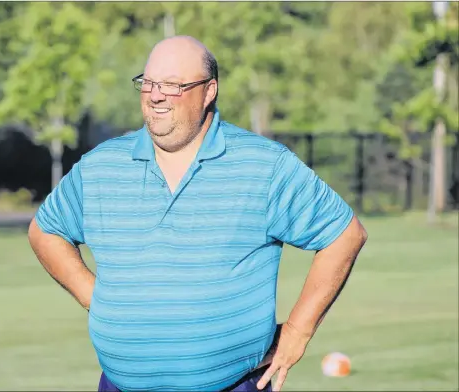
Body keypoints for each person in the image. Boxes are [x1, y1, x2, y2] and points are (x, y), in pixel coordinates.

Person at [28, 36, 368, 392]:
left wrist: (298, 331)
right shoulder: (100, 166)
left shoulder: (264, 165)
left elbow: (344, 234)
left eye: (173, 85)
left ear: (209, 92)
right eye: (149, 83)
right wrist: (97, 300)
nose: (156, 95)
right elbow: (45, 230)